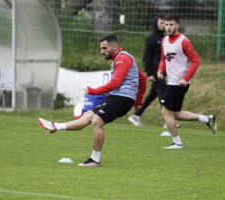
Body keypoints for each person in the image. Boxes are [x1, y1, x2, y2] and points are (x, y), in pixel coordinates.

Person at [38, 35, 147, 166]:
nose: (102, 51)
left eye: (105, 48)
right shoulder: (122, 59)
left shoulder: (122, 59)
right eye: (101, 48)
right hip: (118, 98)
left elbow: (115, 83)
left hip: (122, 98)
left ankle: (95, 160)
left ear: (115, 47)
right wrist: (139, 100)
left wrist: (93, 91)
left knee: (96, 120)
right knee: (88, 116)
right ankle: (56, 126)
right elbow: (142, 78)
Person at [157, 15, 217, 149]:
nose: (168, 27)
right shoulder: (164, 40)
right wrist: (161, 69)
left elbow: (196, 61)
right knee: (175, 114)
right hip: (171, 81)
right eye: (166, 25)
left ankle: (177, 143)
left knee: (165, 111)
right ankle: (207, 119)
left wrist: (186, 78)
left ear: (177, 26)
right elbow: (163, 58)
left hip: (179, 83)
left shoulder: (184, 41)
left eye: (171, 24)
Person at [128, 15, 166, 126]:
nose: (164, 25)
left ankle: (136, 115)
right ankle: (168, 121)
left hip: (162, 72)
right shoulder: (151, 39)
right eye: (161, 23)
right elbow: (146, 57)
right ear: (156, 24)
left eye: (165, 23)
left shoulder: (165, 38)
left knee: (153, 95)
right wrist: (149, 73)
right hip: (155, 72)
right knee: (163, 95)